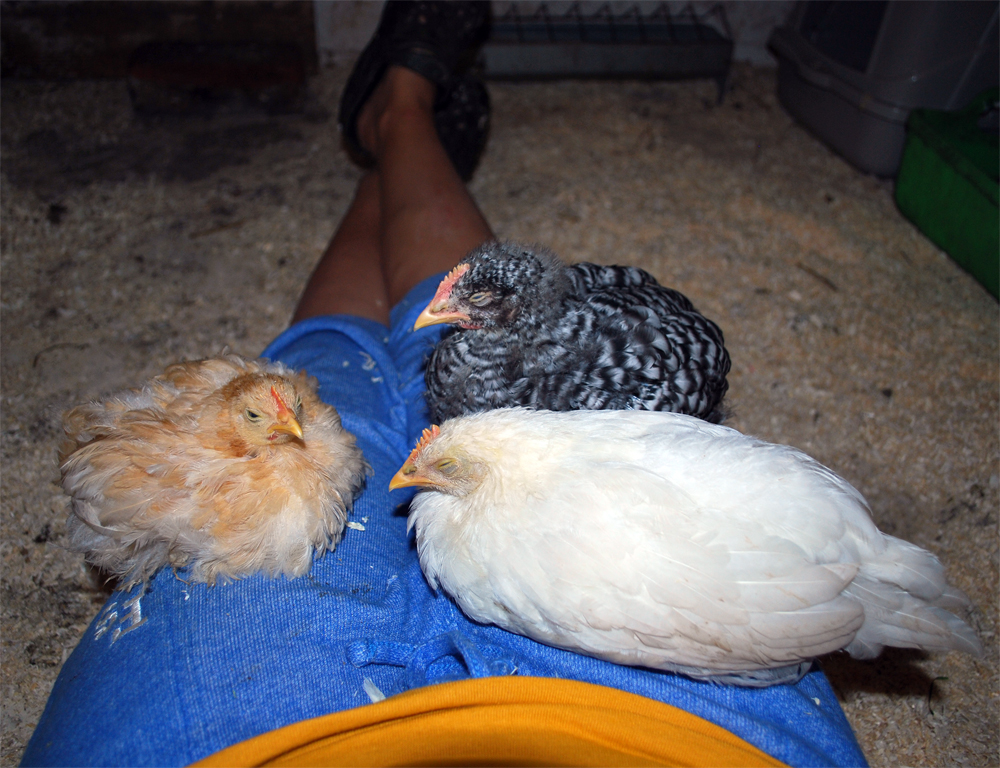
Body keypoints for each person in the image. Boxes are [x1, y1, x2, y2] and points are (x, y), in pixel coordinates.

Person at [21, 4, 868, 766]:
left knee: (329, 380)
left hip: (249, 738)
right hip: (675, 721)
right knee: (450, 334)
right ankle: (405, 127)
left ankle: (398, 136)